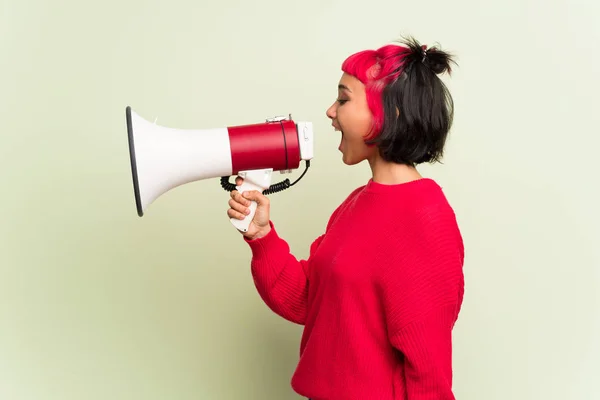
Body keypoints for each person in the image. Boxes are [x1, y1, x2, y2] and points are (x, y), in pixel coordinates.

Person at [227, 36, 465, 400]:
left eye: (344, 98)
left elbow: (428, 371)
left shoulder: (424, 219)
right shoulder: (357, 203)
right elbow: (309, 300)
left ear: (391, 113)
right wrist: (262, 237)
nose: (330, 112)